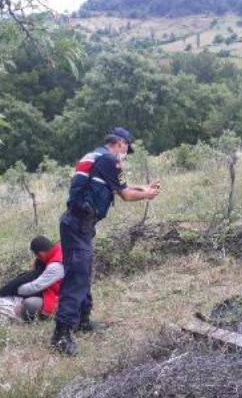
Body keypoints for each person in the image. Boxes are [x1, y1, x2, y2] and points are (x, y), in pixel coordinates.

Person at [51, 127, 160, 356]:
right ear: (120, 143)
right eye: (126, 149)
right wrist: (147, 195)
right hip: (79, 224)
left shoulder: (95, 156)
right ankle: (61, 334)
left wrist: (144, 188)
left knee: (83, 271)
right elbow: (126, 194)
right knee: (77, 276)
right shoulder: (111, 160)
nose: (126, 154)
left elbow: (121, 187)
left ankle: (83, 320)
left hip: (77, 223)